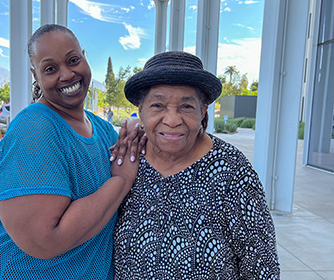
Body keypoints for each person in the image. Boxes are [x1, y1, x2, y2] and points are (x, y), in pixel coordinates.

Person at [0, 24, 139, 279]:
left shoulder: (100, 128)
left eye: (73, 60)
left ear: (84, 57)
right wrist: (121, 180)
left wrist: (144, 124)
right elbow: (45, 240)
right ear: (36, 75)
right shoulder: (35, 127)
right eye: (50, 69)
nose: (66, 75)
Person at [113, 51, 280, 279]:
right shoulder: (128, 157)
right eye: (158, 105)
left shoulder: (232, 171)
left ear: (203, 111)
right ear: (140, 110)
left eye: (186, 107)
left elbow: (262, 266)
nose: (172, 120)